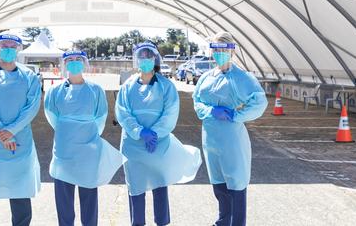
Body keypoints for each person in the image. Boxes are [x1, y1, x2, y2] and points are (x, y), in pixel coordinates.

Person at [115, 41, 202, 226]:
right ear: (136, 60)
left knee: (160, 188)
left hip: (158, 145)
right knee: (136, 189)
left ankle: (161, 222)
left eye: (149, 56)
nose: (145, 60)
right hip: (133, 147)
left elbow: (170, 113)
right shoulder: (127, 87)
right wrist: (140, 132)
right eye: (142, 56)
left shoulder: (166, 86)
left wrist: (154, 133)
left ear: (155, 59)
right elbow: (123, 113)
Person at [193, 32, 268, 226]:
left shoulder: (241, 78)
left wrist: (236, 115)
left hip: (232, 139)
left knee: (236, 184)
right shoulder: (206, 78)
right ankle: (223, 221)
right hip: (210, 139)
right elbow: (197, 101)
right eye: (215, 49)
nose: (218, 54)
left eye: (222, 49)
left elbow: (259, 102)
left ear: (231, 51)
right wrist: (211, 110)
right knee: (218, 185)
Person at [44, 51, 123, 226]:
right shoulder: (54, 91)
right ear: (64, 64)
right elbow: (52, 117)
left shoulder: (96, 90)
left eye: (77, 60)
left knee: (89, 198)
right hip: (64, 150)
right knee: (64, 199)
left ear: (84, 63)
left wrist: (86, 135)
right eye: (69, 60)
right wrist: (69, 130)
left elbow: (100, 117)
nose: (73, 63)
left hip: (89, 150)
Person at [0, 32, 42, 226]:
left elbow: (32, 106)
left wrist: (11, 130)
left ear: (19, 50)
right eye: (4, 46)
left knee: (20, 188)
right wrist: (2, 132)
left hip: (20, 140)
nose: (8, 49)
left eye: (13, 46)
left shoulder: (29, 76)